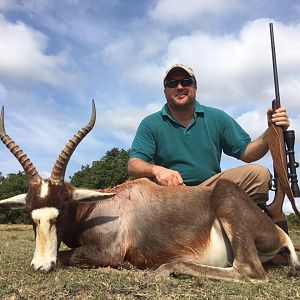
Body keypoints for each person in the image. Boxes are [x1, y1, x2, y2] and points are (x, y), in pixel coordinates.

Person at [128, 64, 290, 205]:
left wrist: (271, 131)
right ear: (165, 91)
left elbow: (248, 153)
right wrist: (158, 171)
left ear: (195, 88)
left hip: (211, 192)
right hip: (171, 193)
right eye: (172, 83)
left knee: (259, 174)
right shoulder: (150, 123)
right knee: (136, 189)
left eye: (186, 82)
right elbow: (134, 164)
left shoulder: (217, 117)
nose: (179, 87)